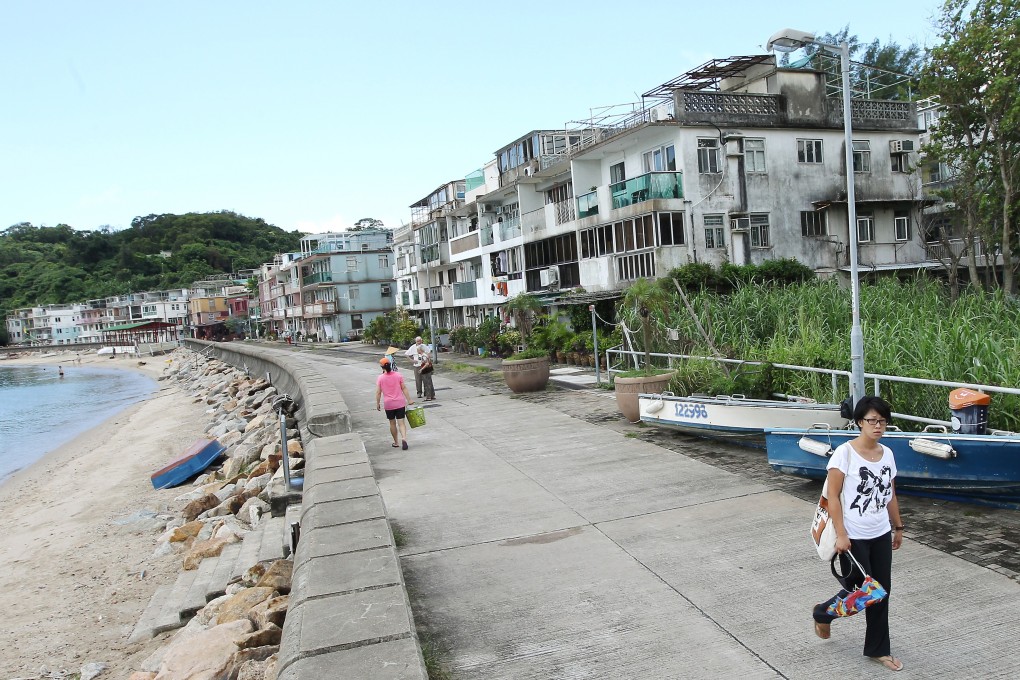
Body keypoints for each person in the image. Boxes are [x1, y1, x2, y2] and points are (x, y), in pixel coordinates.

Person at [813, 395, 904, 672]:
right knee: (858, 591)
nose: (878, 426)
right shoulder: (845, 453)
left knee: (881, 592)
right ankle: (823, 612)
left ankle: (878, 649)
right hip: (853, 536)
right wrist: (841, 534)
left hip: (880, 533)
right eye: (871, 420)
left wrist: (898, 526)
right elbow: (833, 497)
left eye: (882, 421)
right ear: (859, 423)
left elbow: (889, 494)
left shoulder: (886, 454)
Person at [375, 356, 415, 450]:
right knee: (401, 423)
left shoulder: (380, 378)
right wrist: (409, 400)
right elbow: (404, 388)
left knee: (392, 423)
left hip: (389, 404)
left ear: (382, 367)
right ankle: (404, 438)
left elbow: (378, 392)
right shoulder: (398, 375)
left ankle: (396, 442)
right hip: (400, 403)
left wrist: (378, 403)